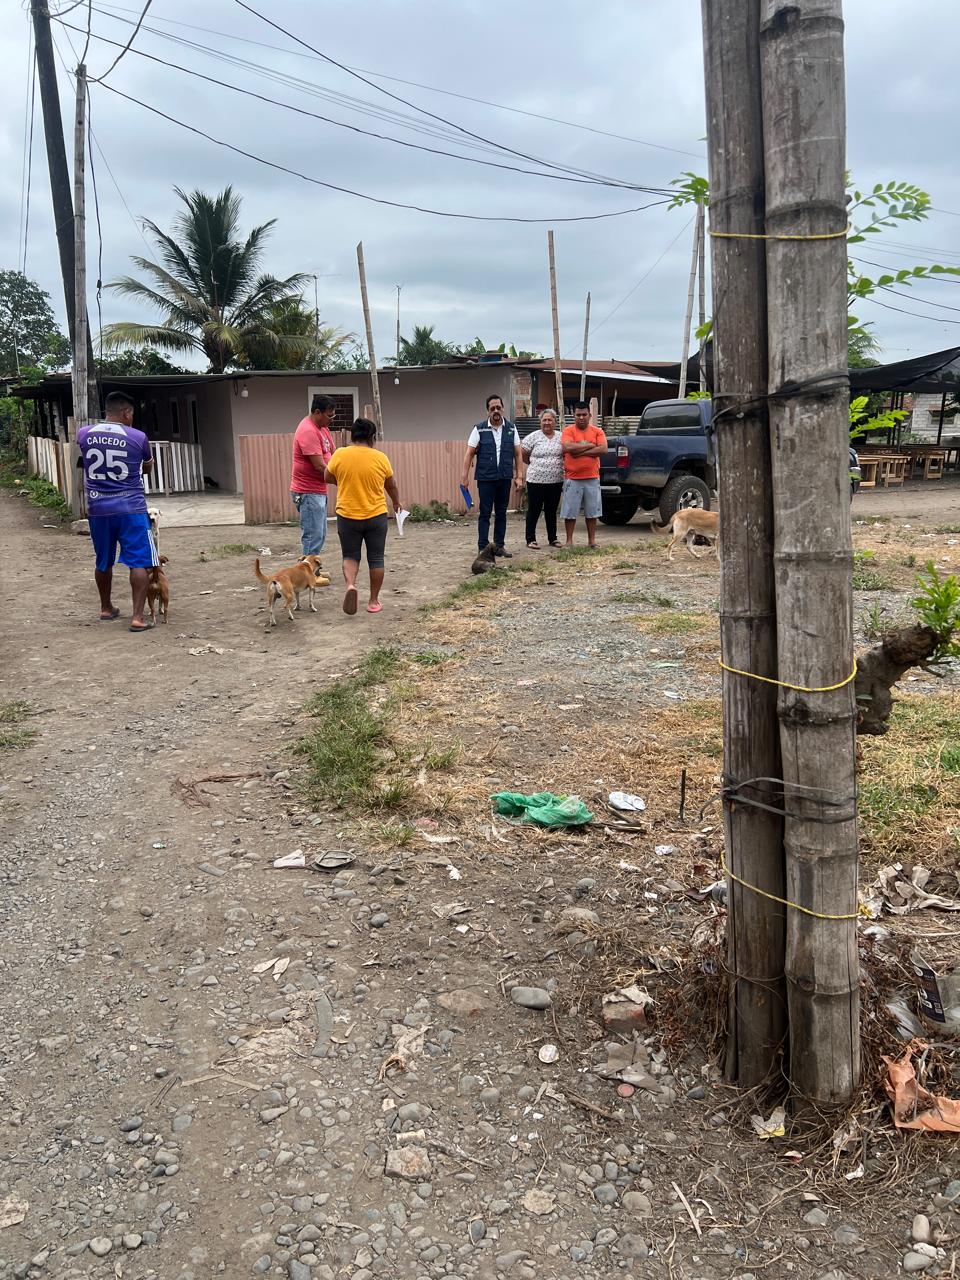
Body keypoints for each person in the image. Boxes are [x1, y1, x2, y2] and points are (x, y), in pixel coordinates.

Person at [76, 390, 158, 632]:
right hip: (131, 508)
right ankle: (137, 618)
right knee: (139, 561)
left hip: (98, 509)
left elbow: (84, 462)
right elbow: (146, 468)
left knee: (103, 560)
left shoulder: (84, 434)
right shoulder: (138, 437)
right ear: (127, 413)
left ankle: (106, 608)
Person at [324, 417, 403, 615]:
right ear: (372, 437)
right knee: (376, 558)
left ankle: (351, 585)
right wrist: (396, 502)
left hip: (347, 515)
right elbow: (391, 485)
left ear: (352, 436)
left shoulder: (340, 454)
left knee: (350, 555)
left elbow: (326, 476)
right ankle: (373, 601)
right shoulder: (380, 458)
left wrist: (343, 481)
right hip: (376, 515)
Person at [460, 393, 523, 557]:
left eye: (498, 408)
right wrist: (464, 477)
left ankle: (499, 546)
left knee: (501, 513)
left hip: (504, 477)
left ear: (503, 409)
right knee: (485, 513)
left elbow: (518, 453)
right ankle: (483, 547)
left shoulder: (511, 429)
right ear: (487, 411)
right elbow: (469, 453)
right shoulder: (479, 429)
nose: (496, 411)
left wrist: (519, 476)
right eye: (492, 408)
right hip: (486, 478)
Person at [290, 394, 337, 557]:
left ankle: (312, 568)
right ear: (317, 412)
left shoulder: (323, 429)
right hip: (307, 491)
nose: (332, 420)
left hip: (318, 490)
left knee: (320, 534)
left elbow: (333, 454)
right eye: (329, 416)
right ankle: (307, 570)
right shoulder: (308, 431)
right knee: (313, 536)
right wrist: (340, 480)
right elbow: (319, 465)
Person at [561, 400, 608, 548]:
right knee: (570, 511)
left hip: (592, 477)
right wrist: (589, 445)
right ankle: (569, 541)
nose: (581, 417)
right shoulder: (568, 431)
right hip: (572, 478)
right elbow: (567, 447)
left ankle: (592, 541)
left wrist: (578, 452)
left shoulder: (598, 431)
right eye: (578, 415)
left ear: (590, 415)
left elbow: (603, 449)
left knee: (592, 512)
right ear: (573, 416)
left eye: (584, 414)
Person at [521, 409, 564, 548]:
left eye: (550, 420)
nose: (547, 422)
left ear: (555, 422)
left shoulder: (562, 437)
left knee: (551, 511)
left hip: (555, 480)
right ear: (540, 422)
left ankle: (553, 539)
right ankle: (530, 539)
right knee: (534, 509)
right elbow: (523, 453)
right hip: (536, 480)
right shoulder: (533, 437)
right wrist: (535, 464)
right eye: (544, 420)